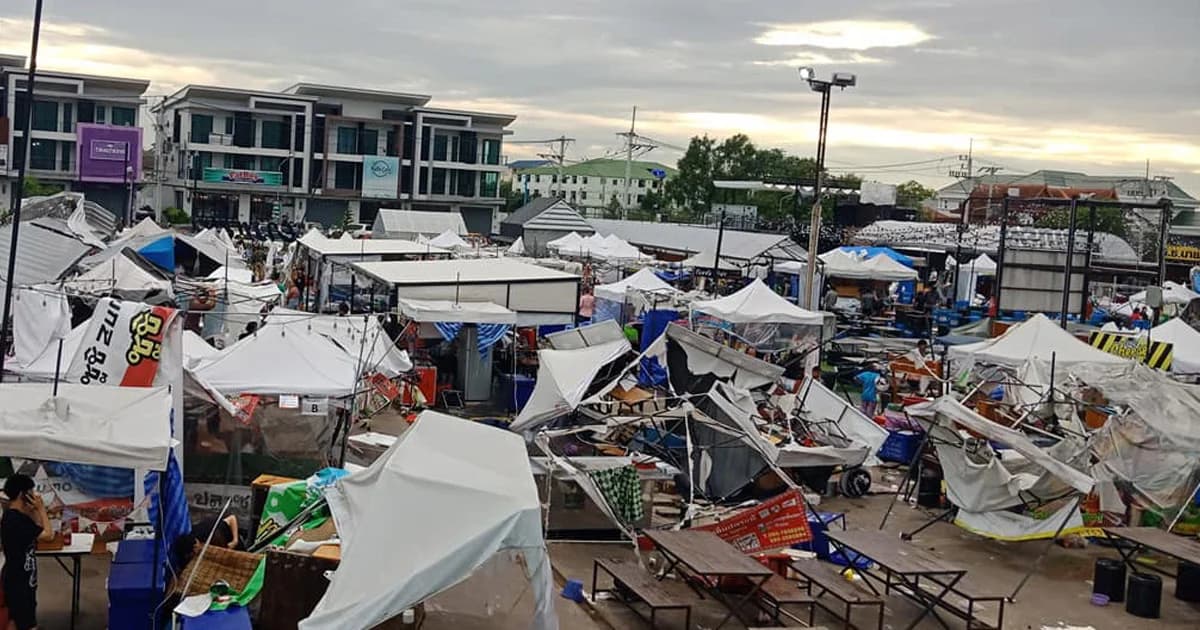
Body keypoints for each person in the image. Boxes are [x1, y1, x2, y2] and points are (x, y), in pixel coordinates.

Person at [2, 474, 54, 630]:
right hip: (19, 582)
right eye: (30, 492)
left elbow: (37, 528)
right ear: (21, 494)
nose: (34, 496)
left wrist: (34, 511)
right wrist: (41, 509)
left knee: (15, 620)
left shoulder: (17, 517)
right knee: (27, 623)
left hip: (22, 579)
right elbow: (48, 535)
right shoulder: (14, 520)